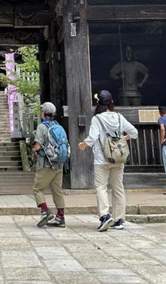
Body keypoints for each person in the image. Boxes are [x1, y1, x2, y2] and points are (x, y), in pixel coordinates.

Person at [78, 90, 137, 231]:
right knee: (118, 188)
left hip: (101, 159)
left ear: (98, 104)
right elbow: (134, 132)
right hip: (118, 158)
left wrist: (83, 144)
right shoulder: (118, 117)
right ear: (111, 103)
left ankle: (104, 215)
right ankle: (119, 219)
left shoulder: (97, 119)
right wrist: (123, 139)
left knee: (101, 187)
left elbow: (92, 138)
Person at [31, 102, 67, 228]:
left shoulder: (42, 127)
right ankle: (60, 216)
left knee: (37, 188)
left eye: (41, 110)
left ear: (43, 113)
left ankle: (45, 211)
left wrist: (34, 150)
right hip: (58, 164)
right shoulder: (57, 126)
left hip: (46, 163)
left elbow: (38, 145)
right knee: (57, 190)